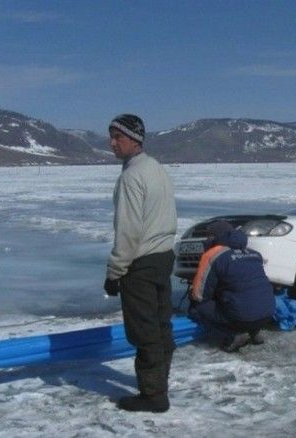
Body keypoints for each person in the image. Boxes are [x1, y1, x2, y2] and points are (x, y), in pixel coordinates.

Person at [103, 114, 177, 413]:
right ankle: (158, 384)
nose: (112, 143)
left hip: (141, 264)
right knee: (161, 327)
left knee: (145, 331)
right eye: (111, 136)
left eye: (117, 137)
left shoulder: (132, 177)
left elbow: (129, 230)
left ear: (134, 139)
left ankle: (153, 395)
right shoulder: (156, 169)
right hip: (162, 258)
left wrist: (115, 271)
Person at [188, 221, 275, 352]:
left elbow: (199, 295)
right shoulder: (254, 254)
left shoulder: (213, 255)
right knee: (245, 298)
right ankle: (254, 331)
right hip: (267, 312)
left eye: (209, 236)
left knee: (199, 308)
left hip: (240, 316)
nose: (206, 239)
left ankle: (231, 335)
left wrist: (192, 292)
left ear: (216, 237)